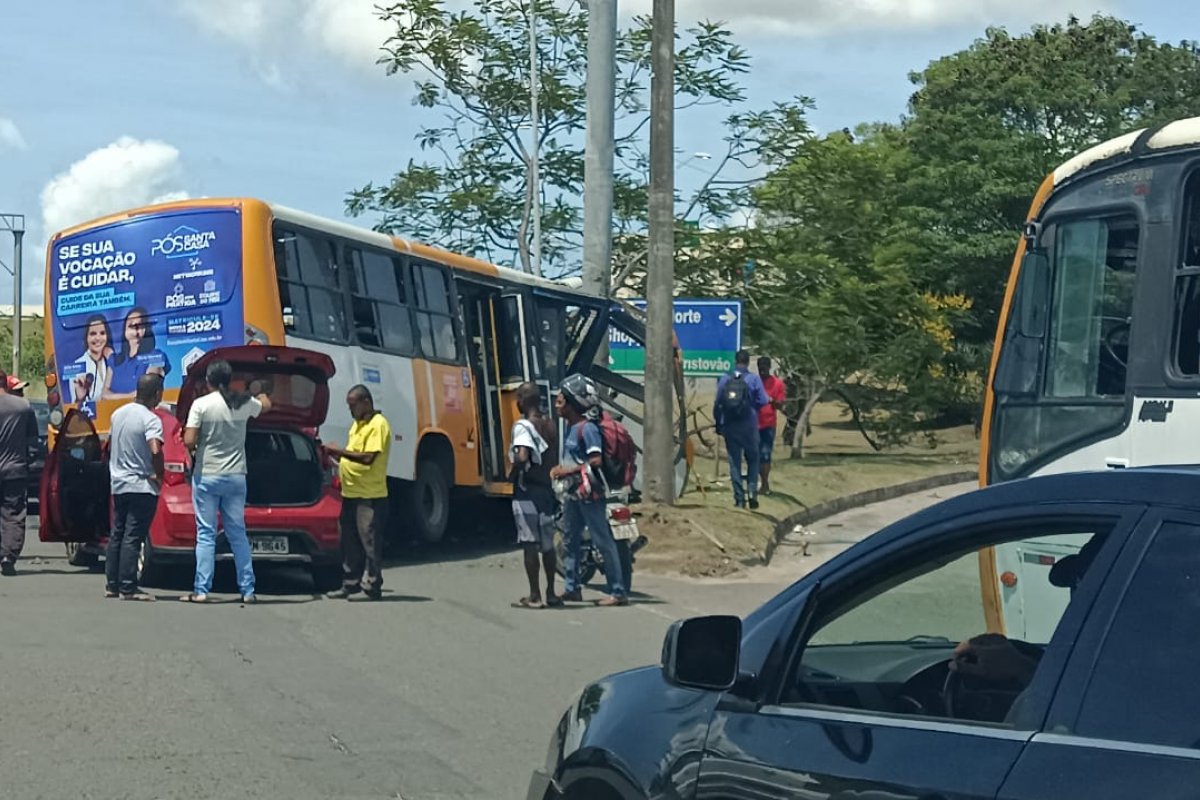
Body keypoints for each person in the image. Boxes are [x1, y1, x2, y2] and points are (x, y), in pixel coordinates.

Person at [181, 360, 272, 604]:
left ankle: (201, 590)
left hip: (207, 475)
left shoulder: (200, 405)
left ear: (208, 380)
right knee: (238, 534)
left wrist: (198, 442)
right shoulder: (242, 402)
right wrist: (259, 390)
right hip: (235, 476)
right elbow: (266, 406)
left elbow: (189, 440)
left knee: (206, 534)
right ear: (229, 379)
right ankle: (248, 590)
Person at [550, 373, 627, 607]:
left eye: (561, 400)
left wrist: (567, 471)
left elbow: (595, 461)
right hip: (573, 496)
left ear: (574, 403)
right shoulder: (570, 428)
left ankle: (618, 591)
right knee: (570, 541)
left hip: (590, 496)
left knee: (603, 541)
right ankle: (572, 588)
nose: (557, 403)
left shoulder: (587, 429)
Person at [322, 386, 392, 601]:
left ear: (366, 402)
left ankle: (373, 585)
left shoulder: (378, 425)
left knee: (369, 541)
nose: (350, 410)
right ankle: (350, 583)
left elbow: (367, 457)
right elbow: (352, 457)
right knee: (349, 541)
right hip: (351, 493)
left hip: (369, 496)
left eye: (353, 405)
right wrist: (335, 459)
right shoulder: (357, 426)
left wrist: (338, 451)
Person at [104, 374, 165, 601]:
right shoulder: (151, 420)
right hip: (141, 484)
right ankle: (128, 586)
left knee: (117, 534)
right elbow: (156, 449)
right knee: (133, 536)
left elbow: (111, 445)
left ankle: (112, 584)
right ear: (157, 393)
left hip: (119, 483)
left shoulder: (118, 414)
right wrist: (159, 474)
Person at [508, 382, 560, 609]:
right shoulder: (550, 424)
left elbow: (522, 456)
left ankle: (534, 595)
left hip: (527, 492)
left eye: (518, 398)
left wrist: (513, 473)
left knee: (530, 543)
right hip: (547, 491)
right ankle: (551, 592)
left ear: (522, 400)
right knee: (548, 545)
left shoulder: (523, 427)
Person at [713, 350, 769, 509]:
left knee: (734, 462)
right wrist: (753, 408)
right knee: (753, 459)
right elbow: (764, 400)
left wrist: (719, 423)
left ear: (735, 361)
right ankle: (752, 492)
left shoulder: (725, 379)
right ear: (748, 362)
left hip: (731, 426)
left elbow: (718, 404)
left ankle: (739, 498)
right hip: (749, 425)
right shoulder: (754, 379)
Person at [0, 370, 37, 575]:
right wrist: (27, 460)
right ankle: (8, 555)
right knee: (13, 513)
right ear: (6, 383)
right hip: (15, 469)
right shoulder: (23, 407)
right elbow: (32, 441)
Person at [107, 307, 171, 397]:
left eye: (140, 325)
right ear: (124, 330)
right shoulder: (114, 360)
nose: (135, 329)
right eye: (131, 325)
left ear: (145, 329)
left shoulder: (156, 355)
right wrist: (130, 396)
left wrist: (116, 398)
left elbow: (149, 390)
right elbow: (104, 395)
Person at [756, 356, 786, 496]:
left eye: (764, 368)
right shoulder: (753, 382)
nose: (762, 371)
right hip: (753, 424)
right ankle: (755, 482)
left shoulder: (777, 384)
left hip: (768, 424)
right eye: (760, 368)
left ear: (769, 368)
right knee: (754, 454)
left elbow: (780, 405)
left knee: (766, 454)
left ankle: (765, 483)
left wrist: (771, 401)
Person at [68, 314, 113, 404]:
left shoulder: (112, 361)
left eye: (102, 333)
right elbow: (75, 405)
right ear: (86, 337)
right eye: (93, 334)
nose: (98, 338)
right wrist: (80, 398)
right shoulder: (77, 365)